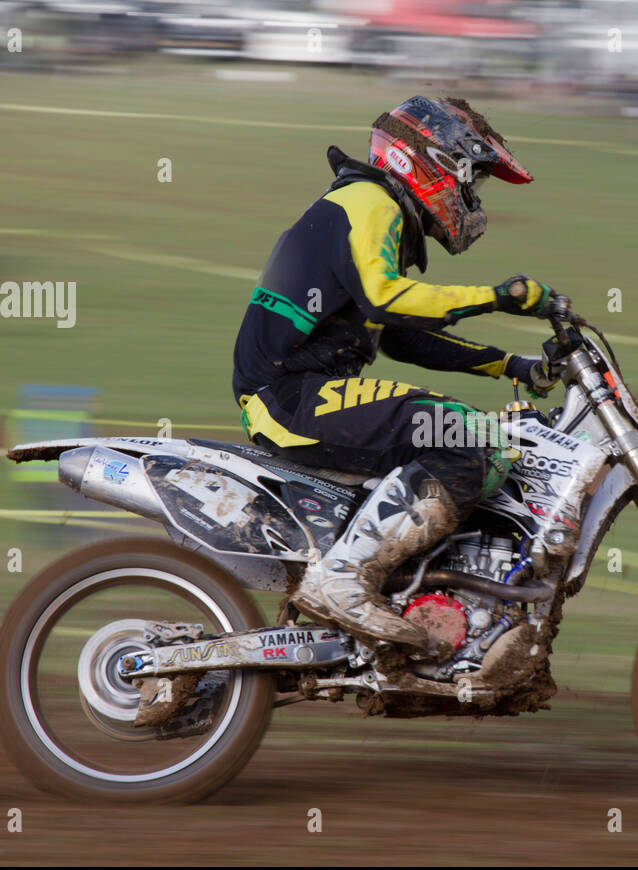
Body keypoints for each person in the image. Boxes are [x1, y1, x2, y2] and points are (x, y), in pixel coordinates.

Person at [231, 95, 557, 660]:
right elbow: (386, 300)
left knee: (465, 433)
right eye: (470, 178)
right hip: (290, 394)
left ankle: (418, 589)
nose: (471, 196)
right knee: (465, 434)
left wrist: (510, 364)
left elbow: (404, 334)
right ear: (430, 161)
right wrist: (496, 297)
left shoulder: (377, 213)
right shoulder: (368, 201)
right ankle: (345, 580)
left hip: (305, 390)